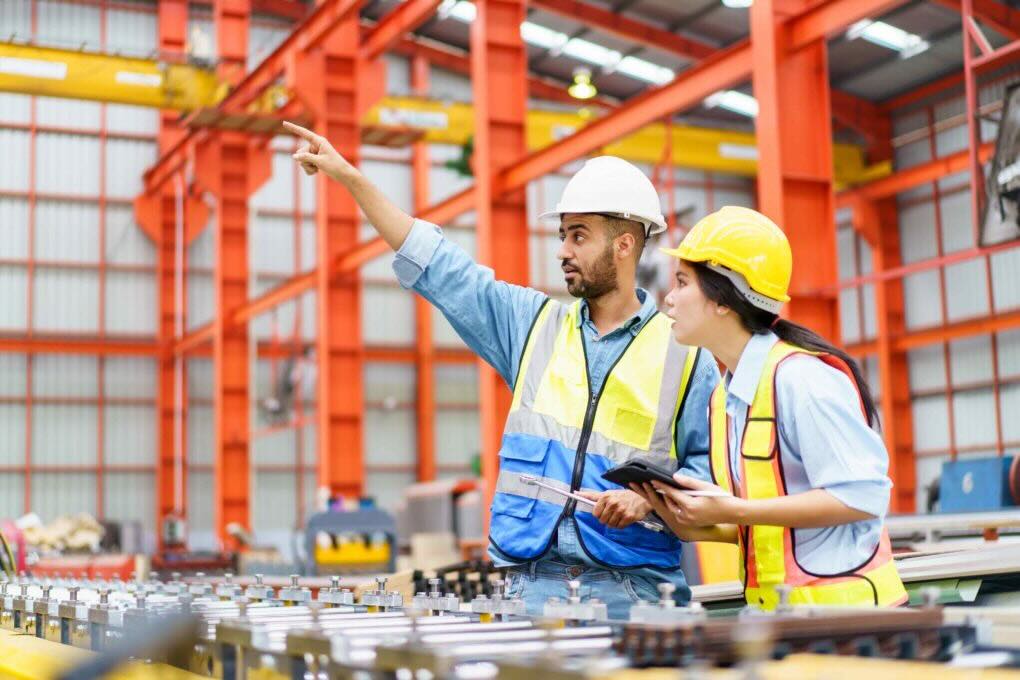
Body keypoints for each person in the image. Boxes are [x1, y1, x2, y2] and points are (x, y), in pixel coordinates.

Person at [282, 121, 719, 619]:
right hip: (529, 588)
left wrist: (648, 500)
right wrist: (350, 177)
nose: (562, 250)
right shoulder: (534, 327)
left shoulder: (686, 356)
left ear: (623, 245)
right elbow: (440, 266)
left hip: (635, 593)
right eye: (562, 235)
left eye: (579, 236)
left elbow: (711, 472)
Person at [630, 206, 908, 610]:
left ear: (723, 299)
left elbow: (863, 497)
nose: (669, 299)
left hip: (852, 621)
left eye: (683, 283)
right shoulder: (725, 397)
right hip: (783, 619)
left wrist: (737, 509)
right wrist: (694, 523)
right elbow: (776, 527)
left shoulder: (802, 380)